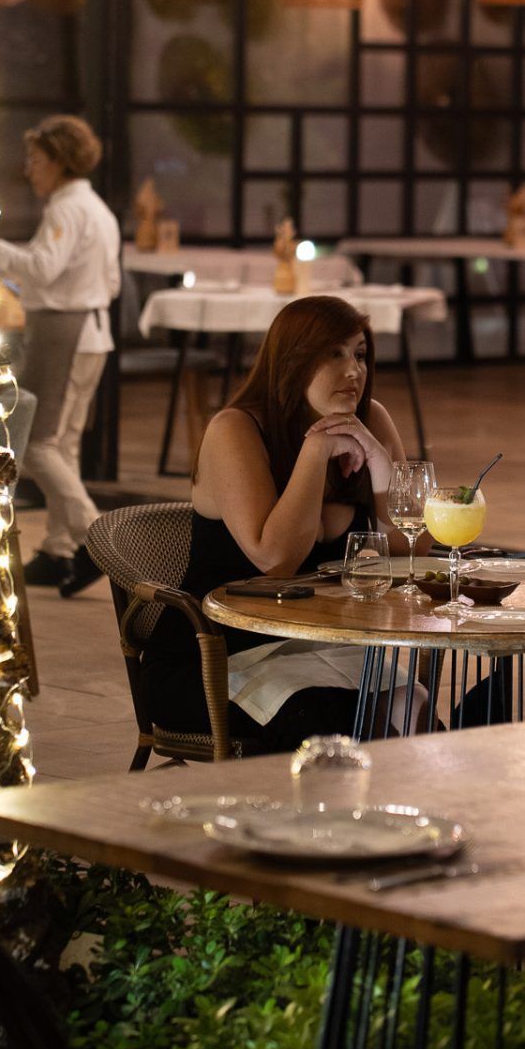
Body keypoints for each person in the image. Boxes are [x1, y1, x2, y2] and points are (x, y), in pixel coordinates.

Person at [143, 294, 424, 754]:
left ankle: (404, 811)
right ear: (293, 361)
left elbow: (413, 548)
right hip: (214, 656)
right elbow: (275, 560)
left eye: (359, 354)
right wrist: (315, 453)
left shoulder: (370, 420)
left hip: (316, 647)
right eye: (332, 354)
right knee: (334, 722)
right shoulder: (235, 429)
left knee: (411, 709)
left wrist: (378, 462)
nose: (353, 370)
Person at [0, 115, 121, 598]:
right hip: (91, 332)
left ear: (61, 162)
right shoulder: (97, 209)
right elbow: (110, 282)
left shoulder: (67, 210)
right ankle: (57, 549)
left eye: (37, 159)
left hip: (63, 332)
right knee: (63, 444)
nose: (29, 169)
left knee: (39, 443)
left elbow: (44, 269)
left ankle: (97, 540)